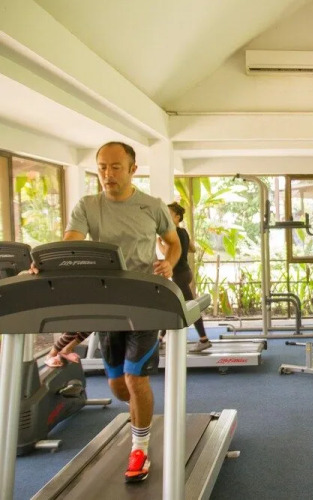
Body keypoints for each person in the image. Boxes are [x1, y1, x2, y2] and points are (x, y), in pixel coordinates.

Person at [33, 141, 180, 483]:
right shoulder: (87, 205)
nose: (107, 174)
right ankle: (141, 413)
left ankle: (139, 448)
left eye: (115, 167)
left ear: (132, 169)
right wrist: (48, 264)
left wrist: (169, 263)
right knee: (117, 386)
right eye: (102, 167)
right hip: (107, 302)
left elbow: (173, 243)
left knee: (135, 377)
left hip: (144, 301)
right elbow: (72, 241)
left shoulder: (152, 206)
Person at [158, 202, 211, 352]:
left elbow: (166, 253)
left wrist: (158, 242)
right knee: (171, 306)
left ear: (177, 217)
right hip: (186, 272)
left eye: (169, 214)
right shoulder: (183, 232)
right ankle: (160, 339)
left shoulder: (173, 233)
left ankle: (204, 339)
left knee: (191, 307)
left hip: (179, 274)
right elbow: (192, 249)